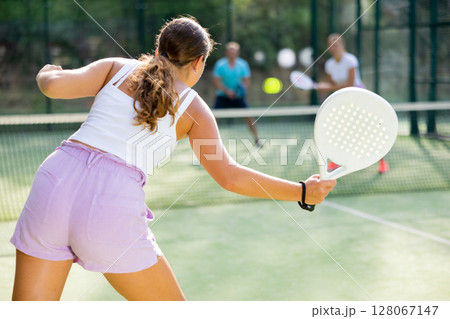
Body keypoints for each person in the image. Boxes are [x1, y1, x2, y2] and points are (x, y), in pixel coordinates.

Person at [10, 17, 336, 301]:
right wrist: (303, 191)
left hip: (55, 178)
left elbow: (52, 87)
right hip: (111, 201)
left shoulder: (113, 67)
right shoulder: (195, 109)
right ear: (198, 63)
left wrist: (46, 72)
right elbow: (230, 176)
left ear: (157, 50)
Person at [316, 33, 389, 174]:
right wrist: (325, 87)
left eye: (336, 43)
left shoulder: (350, 61)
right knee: (337, 129)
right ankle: (335, 161)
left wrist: (327, 87)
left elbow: (350, 84)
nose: (333, 46)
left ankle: (382, 163)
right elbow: (333, 84)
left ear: (342, 45)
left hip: (359, 96)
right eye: (330, 44)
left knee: (371, 130)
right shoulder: (329, 65)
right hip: (343, 99)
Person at [212, 42, 263, 147]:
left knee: (249, 118)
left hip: (238, 97)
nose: (232, 53)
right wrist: (227, 91)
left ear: (237, 53)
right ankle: (209, 142)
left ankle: (257, 139)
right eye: (230, 51)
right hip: (222, 96)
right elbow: (216, 83)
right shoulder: (220, 65)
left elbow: (247, 81)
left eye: (234, 51)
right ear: (226, 53)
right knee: (213, 119)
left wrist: (238, 90)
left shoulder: (243, 64)